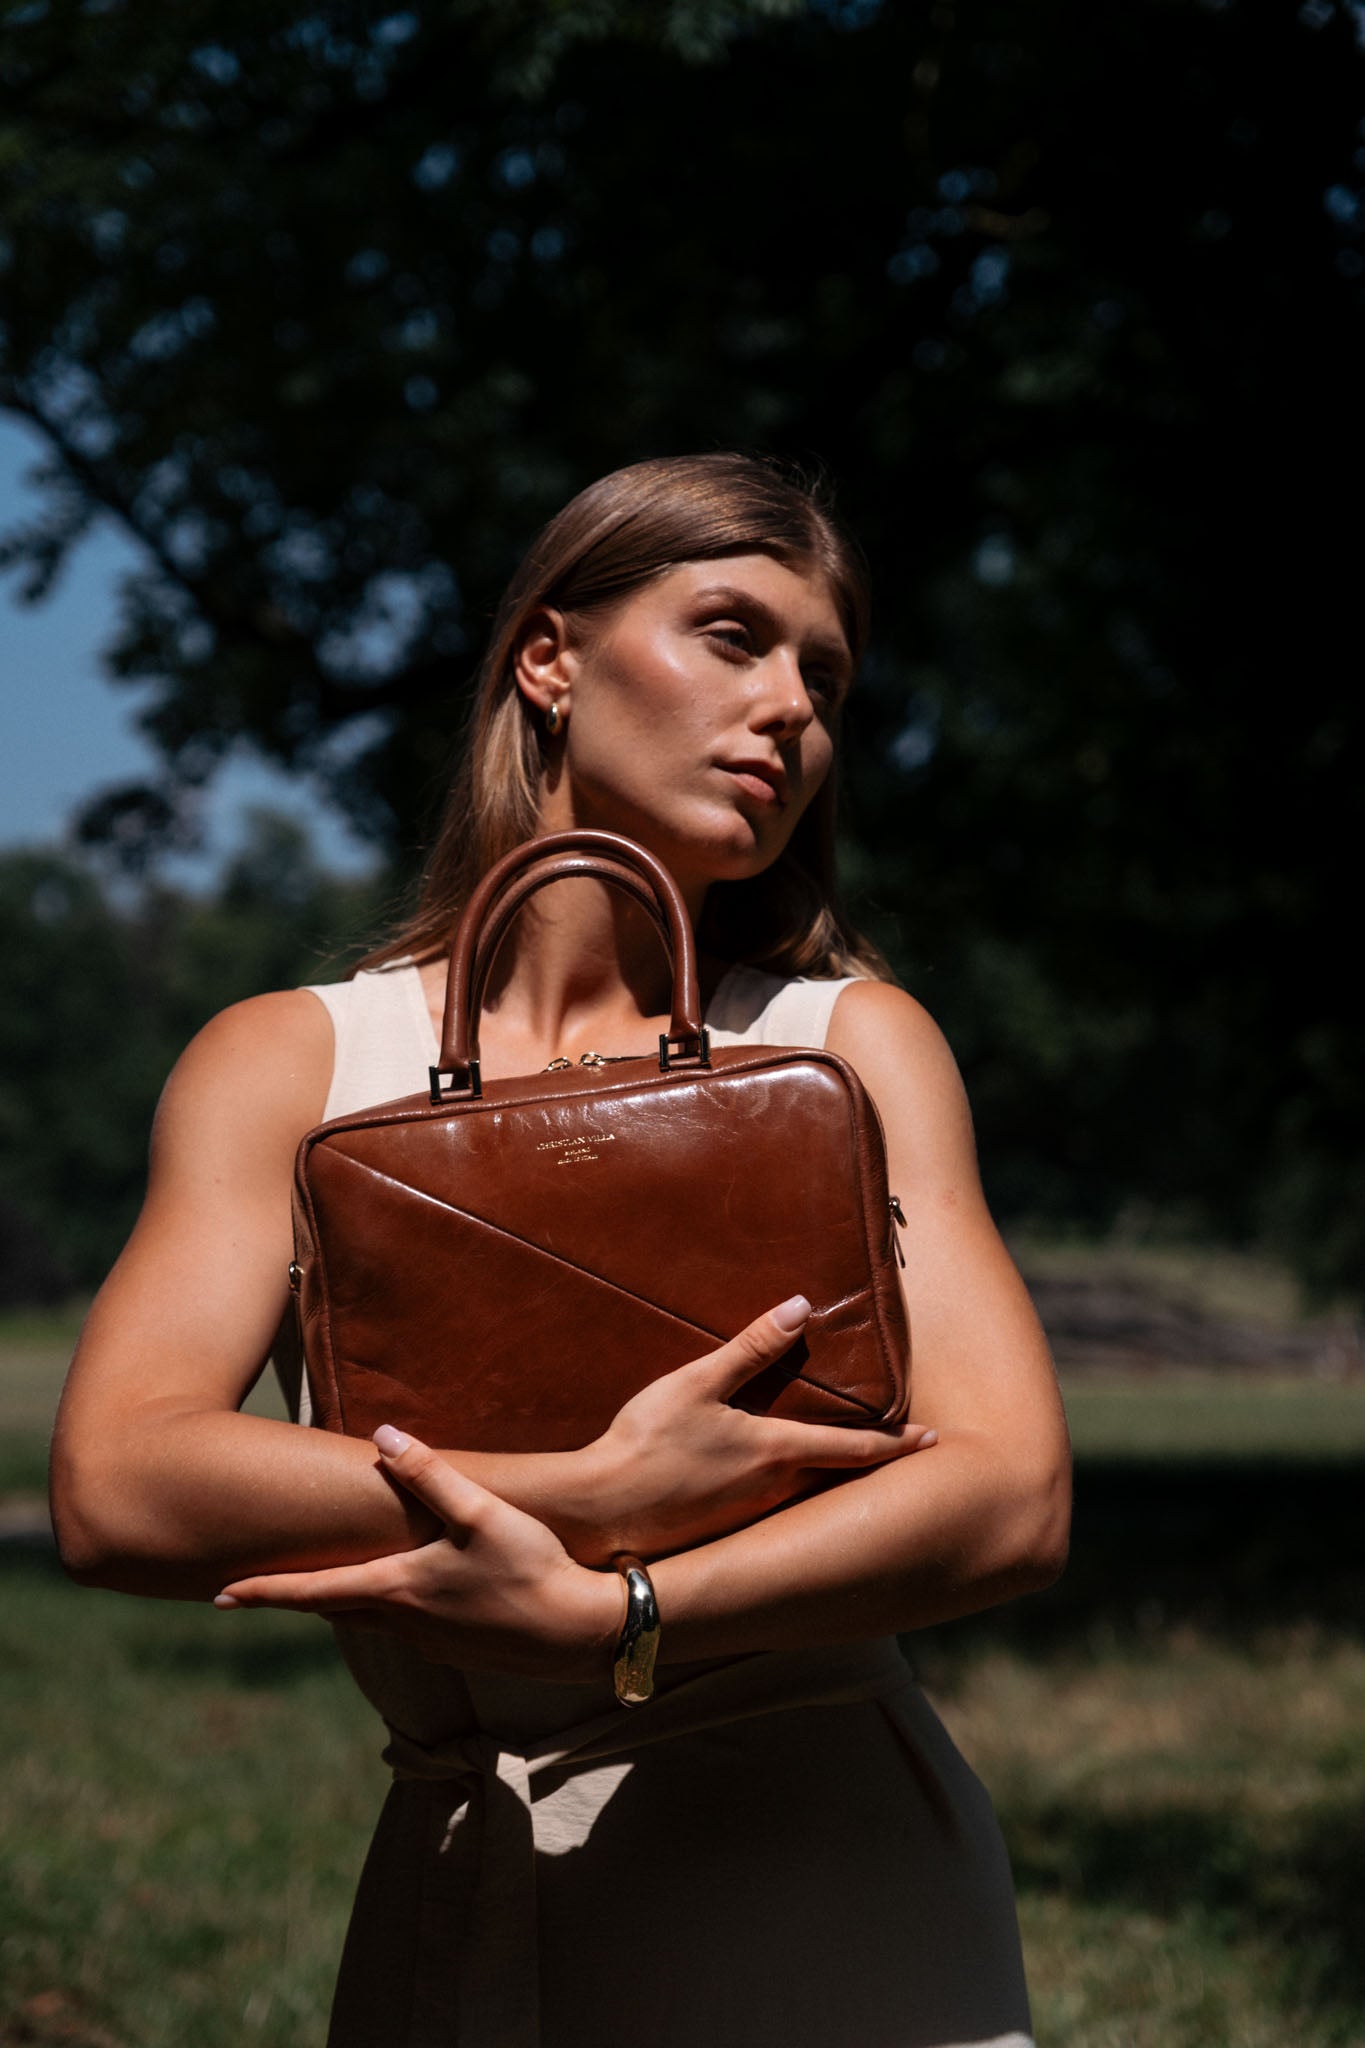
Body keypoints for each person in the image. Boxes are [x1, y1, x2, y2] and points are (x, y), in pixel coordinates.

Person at [50, 452, 1071, 2048]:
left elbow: (1010, 1497)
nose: (792, 706)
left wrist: (621, 1614)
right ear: (550, 659)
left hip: (834, 1897)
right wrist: (586, 1492)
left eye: (824, 671)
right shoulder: (292, 1064)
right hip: (469, 1873)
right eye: (731, 635)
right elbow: (119, 1485)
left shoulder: (848, 1048)